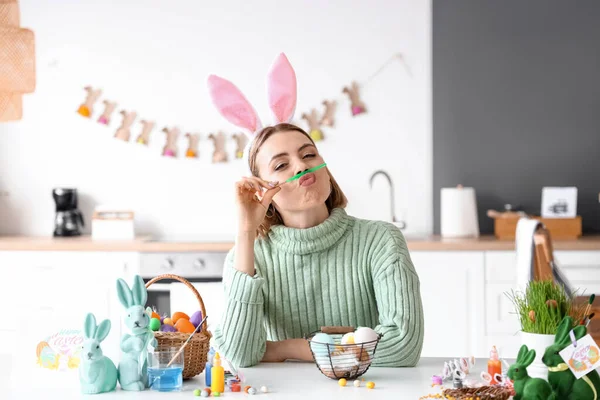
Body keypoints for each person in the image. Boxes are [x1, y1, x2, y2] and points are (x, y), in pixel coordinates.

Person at [206, 53, 424, 368]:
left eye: (308, 154)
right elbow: (239, 355)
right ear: (261, 189)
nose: (302, 166)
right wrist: (245, 234)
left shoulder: (381, 241)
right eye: (281, 164)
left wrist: (287, 349)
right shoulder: (250, 257)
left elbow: (402, 346)